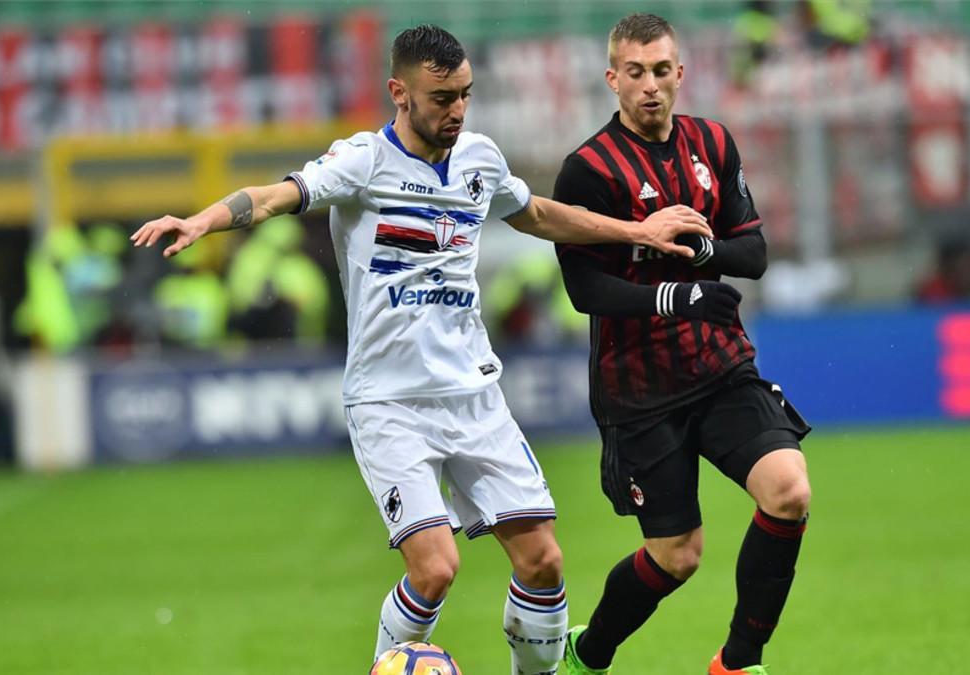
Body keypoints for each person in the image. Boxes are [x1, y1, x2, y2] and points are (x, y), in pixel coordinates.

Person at [130, 24, 710, 673]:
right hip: (390, 401)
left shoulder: (480, 160)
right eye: (442, 98)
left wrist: (639, 231)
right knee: (435, 567)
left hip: (473, 392)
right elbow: (273, 196)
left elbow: (539, 214)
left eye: (464, 94)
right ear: (399, 93)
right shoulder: (362, 162)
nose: (456, 110)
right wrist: (203, 219)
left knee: (543, 559)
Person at [551, 14, 813, 675]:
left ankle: (738, 661)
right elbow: (585, 289)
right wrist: (677, 291)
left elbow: (751, 253)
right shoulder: (586, 171)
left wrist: (705, 250)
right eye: (634, 73)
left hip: (720, 363)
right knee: (678, 554)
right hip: (638, 387)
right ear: (612, 79)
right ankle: (590, 651)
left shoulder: (713, 144)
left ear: (680, 74)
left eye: (661, 71)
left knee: (788, 490)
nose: (649, 86)